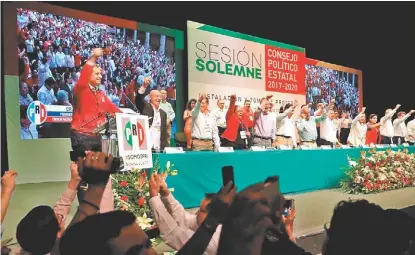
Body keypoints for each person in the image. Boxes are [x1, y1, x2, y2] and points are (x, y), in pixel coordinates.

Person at [70, 48, 121, 211]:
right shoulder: (81, 88)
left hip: (98, 137)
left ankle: (97, 206)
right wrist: (93, 57)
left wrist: (131, 118)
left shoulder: (101, 94)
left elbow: (114, 110)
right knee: (84, 175)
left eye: (101, 74)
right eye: (96, 73)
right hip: (82, 137)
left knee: (98, 173)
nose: (100, 76)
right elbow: (84, 74)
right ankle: (85, 211)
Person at [148, 173, 222, 255]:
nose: (196, 212)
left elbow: (173, 235)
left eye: (201, 210)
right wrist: (165, 193)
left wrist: (154, 196)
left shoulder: (213, 239)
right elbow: (185, 219)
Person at [16, 163, 81, 255]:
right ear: (58, 235)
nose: (61, 216)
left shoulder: (34, 244)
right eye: (59, 219)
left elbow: (61, 207)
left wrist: (75, 179)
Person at [135, 77, 168, 152]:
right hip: (146, 146)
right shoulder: (145, 107)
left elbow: (164, 134)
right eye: (156, 96)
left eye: (160, 96)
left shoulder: (163, 113)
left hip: (159, 147)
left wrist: (165, 148)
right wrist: (144, 86)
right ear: (150, 97)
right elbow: (138, 99)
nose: (159, 98)